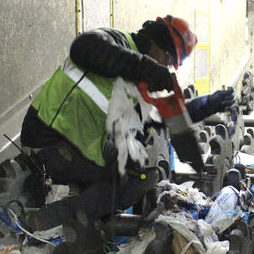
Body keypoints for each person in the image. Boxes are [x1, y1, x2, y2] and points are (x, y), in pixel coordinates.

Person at [20, 15, 235, 232]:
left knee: (138, 174)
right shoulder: (116, 41)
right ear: (155, 42)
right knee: (127, 180)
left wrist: (207, 104)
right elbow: (82, 48)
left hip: (75, 148)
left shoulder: (137, 85)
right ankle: (46, 220)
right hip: (47, 139)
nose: (167, 66)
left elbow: (162, 119)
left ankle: (89, 228)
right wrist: (148, 68)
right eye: (169, 58)